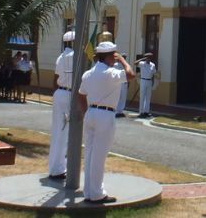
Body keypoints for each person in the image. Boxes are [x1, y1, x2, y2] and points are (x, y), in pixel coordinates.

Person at [77, 41, 136, 204]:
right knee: (99, 156)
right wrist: (123, 61)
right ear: (110, 56)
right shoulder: (111, 73)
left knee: (89, 154)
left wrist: (86, 112)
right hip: (105, 115)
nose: (115, 59)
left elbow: (81, 95)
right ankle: (96, 193)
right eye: (114, 55)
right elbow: (131, 75)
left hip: (91, 113)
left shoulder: (88, 74)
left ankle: (89, 191)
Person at [47, 31, 75, 180]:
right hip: (68, 94)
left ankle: (55, 166)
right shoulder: (73, 57)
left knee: (58, 131)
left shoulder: (60, 57)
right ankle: (58, 168)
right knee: (65, 133)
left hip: (59, 93)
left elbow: (55, 79)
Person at [135, 52, 157, 118]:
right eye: (147, 57)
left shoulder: (152, 65)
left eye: (150, 58)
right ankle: (141, 112)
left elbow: (153, 74)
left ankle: (146, 112)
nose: (148, 59)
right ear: (145, 58)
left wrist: (152, 81)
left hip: (149, 81)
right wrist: (142, 59)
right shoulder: (142, 63)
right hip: (143, 80)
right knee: (142, 97)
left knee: (148, 97)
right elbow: (135, 63)